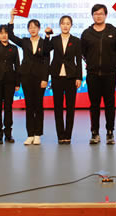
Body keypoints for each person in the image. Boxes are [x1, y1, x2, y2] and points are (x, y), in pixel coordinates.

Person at [80, 4, 116, 145]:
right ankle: (94, 132)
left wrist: (114, 64)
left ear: (106, 15)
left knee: (109, 104)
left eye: (101, 13)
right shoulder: (87, 33)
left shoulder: (113, 30)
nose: (98, 16)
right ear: (92, 16)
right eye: (96, 14)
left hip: (110, 74)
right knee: (94, 105)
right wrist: (90, 62)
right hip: (93, 74)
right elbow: (82, 52)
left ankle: (110, 132)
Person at [8, 9, 50, 145]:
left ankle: (38, 134)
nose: (32, 29)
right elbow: (10, 36)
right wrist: (12, 18)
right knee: (29, 106)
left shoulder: (44, 43)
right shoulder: (25, 41)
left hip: (39, 78)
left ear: (39, 29)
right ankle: (30, 134)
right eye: (30, 27)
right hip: (26, 77)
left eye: (35, 27)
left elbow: (47, 61)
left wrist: (45, 78)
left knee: (38, 106)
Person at [44, 15, 82, 144]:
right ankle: (60, 135)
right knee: (58, 107)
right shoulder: (54, 39)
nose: (65, 26)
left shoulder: (76, 41)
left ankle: (68, 135)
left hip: (71, 77)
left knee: (70, 107)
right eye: (63, 23)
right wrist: (47, 36)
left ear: (71, 25)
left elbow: (79, 60)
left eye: (68, 23)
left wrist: (79, 77)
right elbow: (45, 50)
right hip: (56, 76)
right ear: (60, 25)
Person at [0, 24, 20, 145]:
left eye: (6, 33)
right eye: (1, 33)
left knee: (8, 107)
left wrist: (17, 82)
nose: (4, 35)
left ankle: (8, 133)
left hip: (10, 80)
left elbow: (17, 65)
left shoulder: (14, 48)